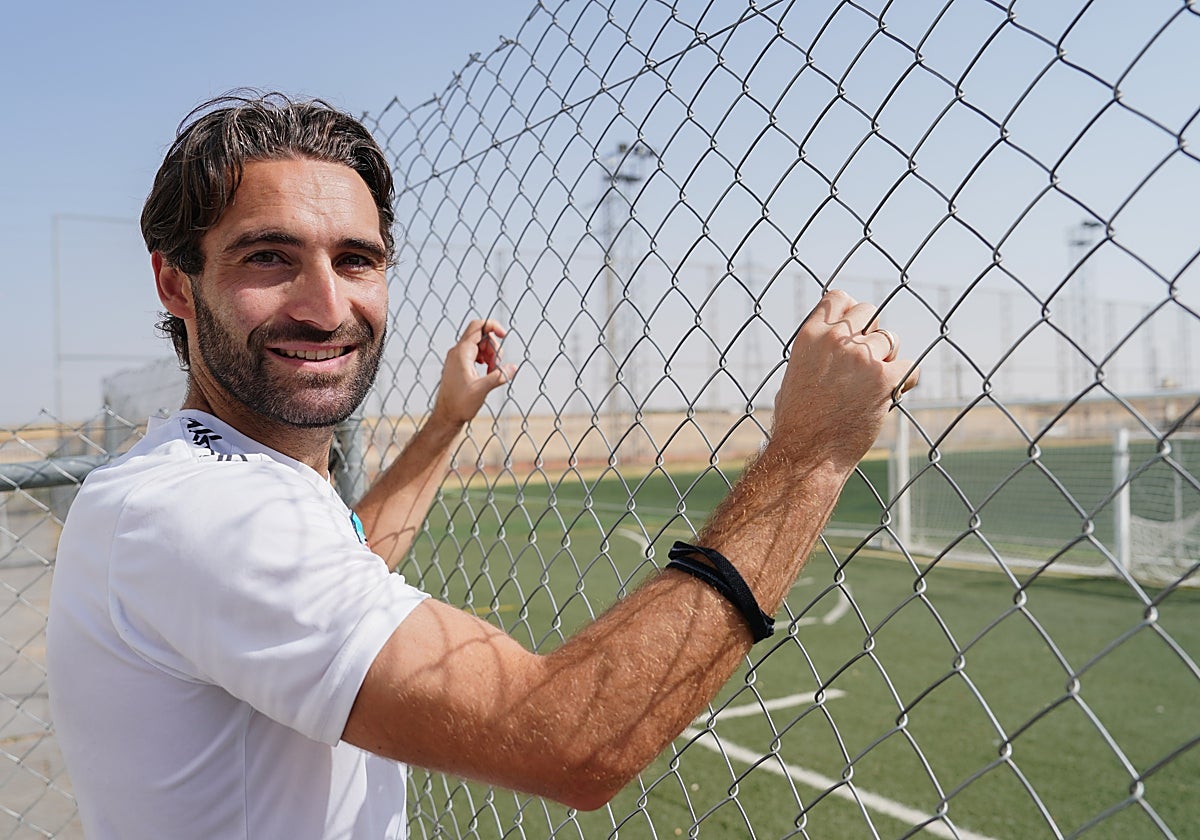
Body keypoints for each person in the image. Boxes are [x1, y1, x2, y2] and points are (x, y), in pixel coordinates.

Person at [46, 92, 917, 840]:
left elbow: (344, 560)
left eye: (356, 260)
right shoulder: (204, 512)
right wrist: (814, 453)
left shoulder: (210, 474)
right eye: (268, 257)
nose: (325, 304)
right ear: (175, 284)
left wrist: (444, 423)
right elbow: (573, 742)